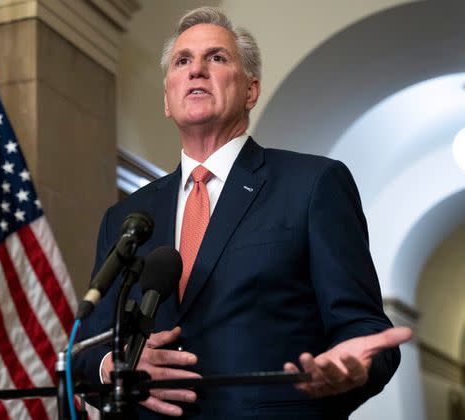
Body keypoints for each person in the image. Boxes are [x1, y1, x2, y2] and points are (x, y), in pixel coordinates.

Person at [74, 6, 411, 419]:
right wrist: (115, 366)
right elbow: (86, 352)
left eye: (216, 57)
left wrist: (354, 366)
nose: (197, 69)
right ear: (167, 99)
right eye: (183, 61)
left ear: (251, 90)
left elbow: (363, 329)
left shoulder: (313, 184)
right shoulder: (126, 217)